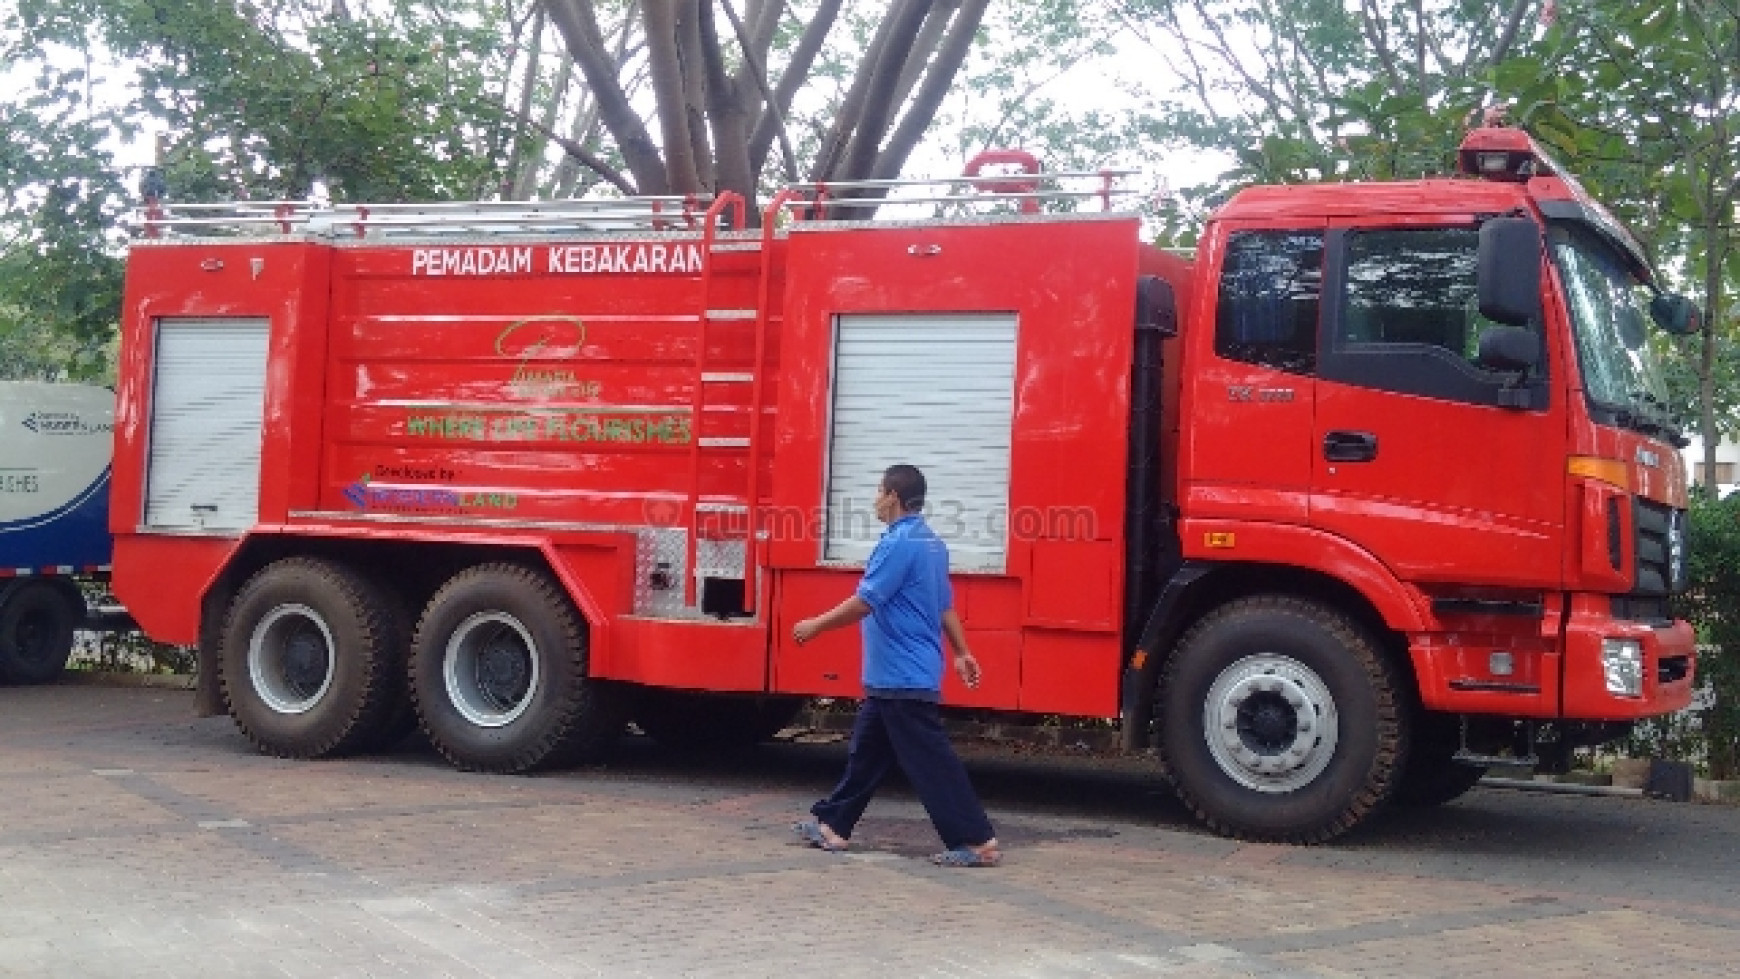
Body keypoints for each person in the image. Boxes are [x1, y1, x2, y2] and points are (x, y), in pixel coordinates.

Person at [790, 464, 1001, 868]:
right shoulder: (932, 543)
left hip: (903, 677)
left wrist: (815, 625)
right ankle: (833, 825)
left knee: (931, 762)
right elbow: (944, 606)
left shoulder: (900, 544)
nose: (874, 497)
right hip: (895, 676)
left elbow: (867, 600)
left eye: (878, 490)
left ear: (893, 496)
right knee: (866, 755)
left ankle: (975, 840)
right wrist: (961, 652)